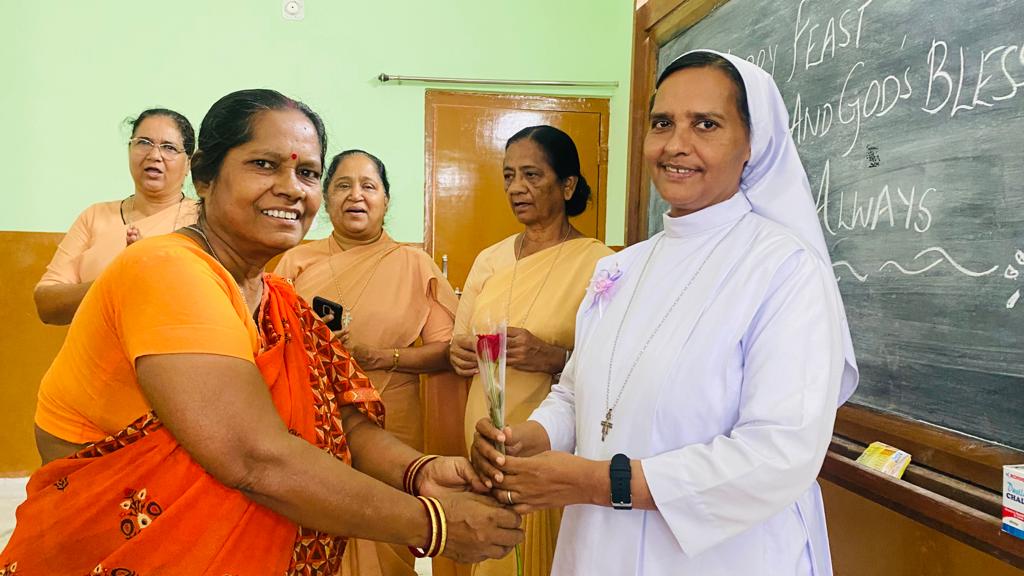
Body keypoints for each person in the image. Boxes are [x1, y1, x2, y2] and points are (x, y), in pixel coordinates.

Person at [3, 89, 522, 575]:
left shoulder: (276, 297)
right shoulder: (166, 269)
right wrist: (432, 524)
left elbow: (339, 419)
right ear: (204, 176)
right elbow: (254, 457)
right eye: (264, 165)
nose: (292, 188)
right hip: (122, 542)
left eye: (307, 172)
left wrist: (418, 471)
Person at [470, 50, 860, 575]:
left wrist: (597, 482)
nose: (676, 144)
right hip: (601, 548)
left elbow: (778, 452)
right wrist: (532, 436)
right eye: (662, 123)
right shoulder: (622, 268)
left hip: (724, 557)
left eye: (706, 124)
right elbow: (577, 392)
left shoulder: (784, 268)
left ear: (752, 142)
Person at [275, 149, 466, 576]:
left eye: (368, 186)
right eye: (343, 185)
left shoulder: (414, 264)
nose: (355, 195)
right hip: (313, 420)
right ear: (326, 198)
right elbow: (269, 341)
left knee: (387, 536)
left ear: (385, 199)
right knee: (316, 530)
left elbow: (446, 350)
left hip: (392, 421)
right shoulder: (295, 262)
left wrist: (383, 357)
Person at [448, 125, 614, 575]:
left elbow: (613, 366)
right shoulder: (491, 259)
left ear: (568, 185)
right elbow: (459, 343)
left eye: (531, 175)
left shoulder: (600, 263)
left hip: (553, 440)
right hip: (488, 435)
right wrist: (459, 354)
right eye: (508, 176)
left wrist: (553, 357)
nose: (516, 188)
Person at [34, 108, 200, 325]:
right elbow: (47, 305)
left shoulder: (202, 220)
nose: (154, 155)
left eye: (169, 147)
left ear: (188, 163)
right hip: (93, 346)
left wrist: (149, 273)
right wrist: (118, 279)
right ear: (129, 149)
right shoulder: (95, 216)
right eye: (144, 142)